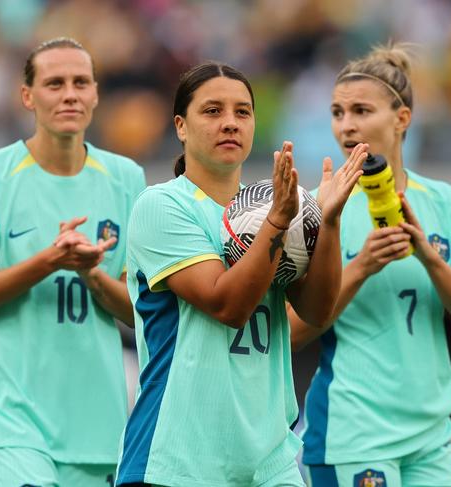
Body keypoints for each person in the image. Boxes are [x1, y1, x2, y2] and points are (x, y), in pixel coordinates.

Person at [115, 61, 366, 487]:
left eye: (242, 112)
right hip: (179, 457)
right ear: (180, 125)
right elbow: (227, 304)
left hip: (270, 455)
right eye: (212, 111)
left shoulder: (274, 209)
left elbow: (318, 309)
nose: (230, 122)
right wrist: (278, 222)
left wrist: (327, 220)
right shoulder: (162, 206)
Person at [0, 37, 146, 486]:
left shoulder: (127, 178)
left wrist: (91, 273)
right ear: (27, 96)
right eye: (54, 83)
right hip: (10, 419)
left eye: (80, 82)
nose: (69, 93)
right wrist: (49, 261)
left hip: (97, 423)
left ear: (95, 94)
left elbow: (138, 309)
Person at [288, 43, 451, 487]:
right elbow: (289, 332)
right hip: (353, 431)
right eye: (337, 112)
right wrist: (362, 266)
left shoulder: (444, 201)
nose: (346, 125)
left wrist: (428, 257)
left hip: (431, 432)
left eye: (362, 110)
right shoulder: (320, 205)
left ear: (402, 119)